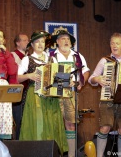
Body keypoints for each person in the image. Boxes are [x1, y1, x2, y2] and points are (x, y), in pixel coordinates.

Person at [18, 30, 68, 155]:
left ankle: (51, 152)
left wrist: (67, 80)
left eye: (42, 41)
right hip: (34, 96)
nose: (40, 44)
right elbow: (17, 78)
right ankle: (36, 152)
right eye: (37, 42)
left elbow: (60, 76)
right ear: (32, 45)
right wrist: (29, 75)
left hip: (51, 97)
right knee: (37, 124)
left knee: (52, 123)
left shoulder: (52, 59)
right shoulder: (27, 59)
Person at [88, 33, 121, 157]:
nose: (114, 45)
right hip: (107, 99)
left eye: (117, 43)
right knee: (105, 128)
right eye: (112, 43)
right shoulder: (105, 60)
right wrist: (97, 79)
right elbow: (91, 79)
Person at [50, 29, 90, 157]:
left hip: (71, 93)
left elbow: (86, 71)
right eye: (62, 39)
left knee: (71, 124)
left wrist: (81, 83)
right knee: (55, 124)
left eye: (68, 39)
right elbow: (50, 74)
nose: (66, 41)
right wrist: (66, 80)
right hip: (55, 94)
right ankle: (57, 153)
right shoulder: (51, 56)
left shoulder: (77, 56)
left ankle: (71, 155)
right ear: (57, 42)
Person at [11, 33, 29, 139]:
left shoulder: (28, 56)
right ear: (17, 43)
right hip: (18, 92)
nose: (27, 42)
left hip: (27, 92)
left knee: (26, 121)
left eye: (28, 40)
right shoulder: (13, 55)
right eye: (24, 40)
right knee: (19, 120)